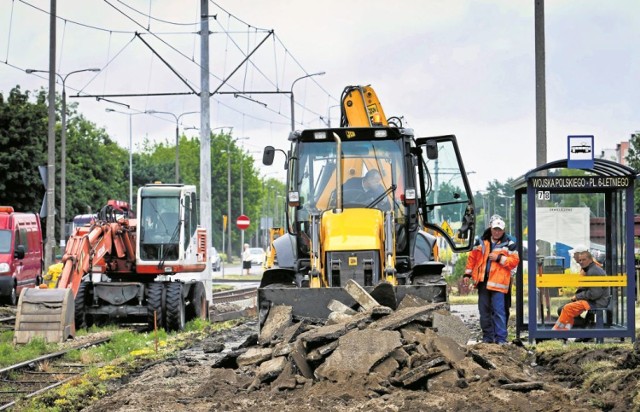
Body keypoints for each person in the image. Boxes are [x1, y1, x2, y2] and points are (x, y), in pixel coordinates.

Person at [463, 217, 519, 344]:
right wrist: (467, 274)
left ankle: (501, 339)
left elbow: (514, 261)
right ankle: (487, 338)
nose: (496, 232)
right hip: (483, 282)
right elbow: (472, 258)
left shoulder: (509, 243)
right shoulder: (482, 241)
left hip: (498, 284)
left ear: (503, 230)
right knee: (484, 312)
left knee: (499, 312)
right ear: (491, 228)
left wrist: (499, 258)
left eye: (499, 230)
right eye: (495, 229)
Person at [553, 250, 610, 331]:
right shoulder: (590, 270)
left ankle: (557, 331)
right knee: (566, 309)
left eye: (584, 260)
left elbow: (595, 293)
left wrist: (578, 296)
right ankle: (565, 331)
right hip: (595, 300)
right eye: (580, 260)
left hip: (597, 302)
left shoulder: (593, 271)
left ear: (590, 260)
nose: (581, 262)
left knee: (567, 308)